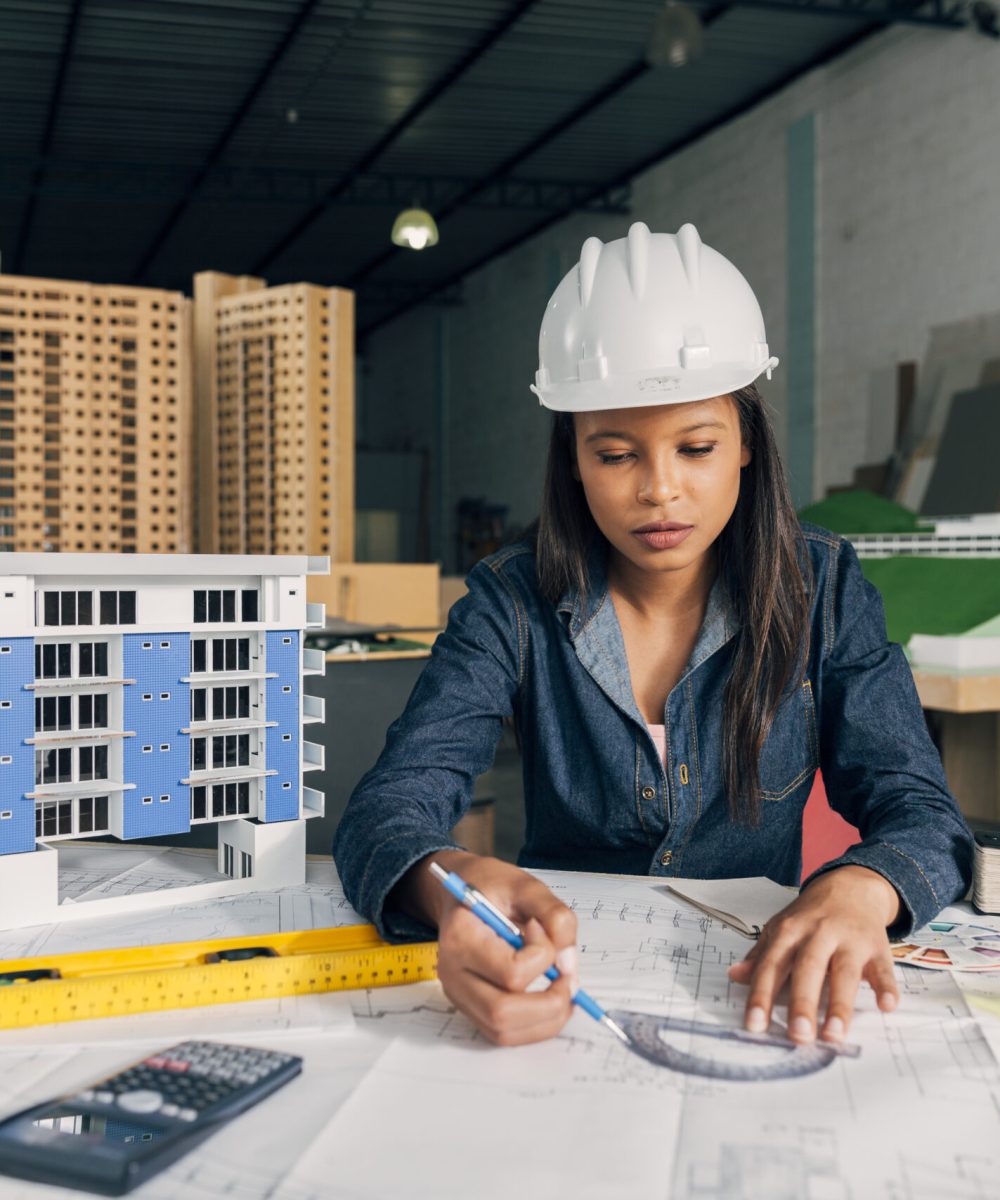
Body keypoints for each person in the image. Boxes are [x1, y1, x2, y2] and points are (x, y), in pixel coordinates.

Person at [333, 221, 973, 1050]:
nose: (659, 490)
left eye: (696, 446)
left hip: (750, 987)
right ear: (571, 458)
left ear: (747, 442)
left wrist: (859, 889)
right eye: (615, 455)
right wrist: (449, 883)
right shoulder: (510, 601)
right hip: (569, 990)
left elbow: (921, 809)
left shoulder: (824, 589)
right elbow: (388, 806)